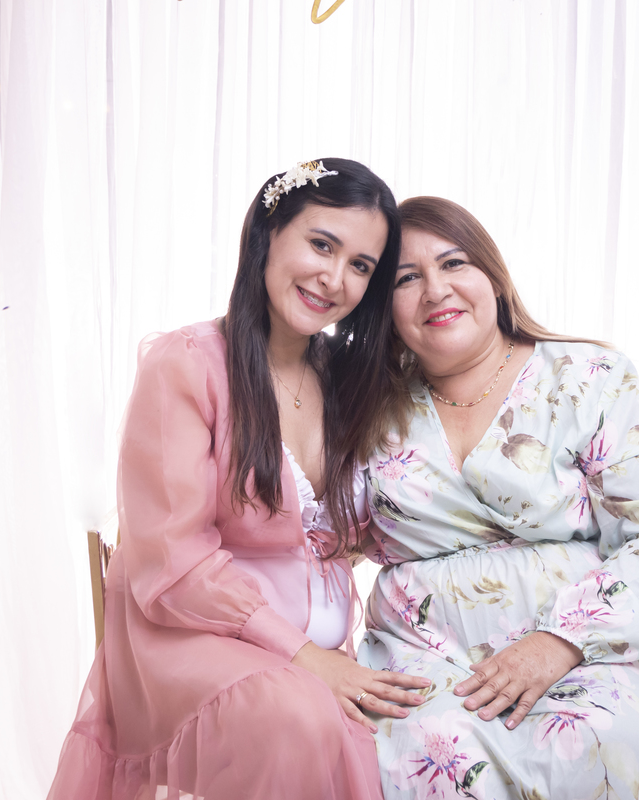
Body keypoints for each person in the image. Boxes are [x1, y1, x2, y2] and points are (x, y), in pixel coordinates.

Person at [47, 159, 430, 800]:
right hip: (188, 640)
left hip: (311, 656)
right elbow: (173, 564)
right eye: (322, 245)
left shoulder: (344, 377)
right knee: (299, 715)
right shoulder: (188, 365)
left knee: (410, 731)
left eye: (361, 266)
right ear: (268, 232)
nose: (335, 279)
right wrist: (305, 658)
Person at [357, 196, 639, 800]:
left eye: (453, 263)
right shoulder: (368, 410)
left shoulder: (590, 376)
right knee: (419, 751)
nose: (435, 290)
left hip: (589, 653)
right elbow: (315, 533)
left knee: (590, 742)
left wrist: (560, 642)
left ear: (493, 276)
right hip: (423, 657)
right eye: (406, 278)